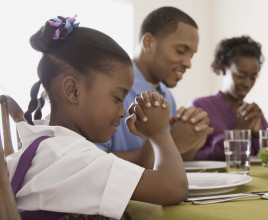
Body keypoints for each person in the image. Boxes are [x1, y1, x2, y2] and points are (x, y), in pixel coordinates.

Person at [6, 15, 187, 219]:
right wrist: (160, 133)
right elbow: (172, 188)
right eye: (117, 98)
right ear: (73, 90)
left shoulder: (49, 147)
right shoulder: (74, 159)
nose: (122, 111)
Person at [96, 6, 213, 163]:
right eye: (180, 51)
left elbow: (172, 161)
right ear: (148, 43)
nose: (188, 63)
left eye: (191, 55)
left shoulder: (166, 95)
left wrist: (193, 141)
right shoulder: (110, 89)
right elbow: (92, 163)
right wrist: (172, 143)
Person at [190, 36, 268, 161]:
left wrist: (258, 134)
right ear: (223, 69)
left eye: (253, 77)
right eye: (241, 75)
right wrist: (241, 129)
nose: (247, 84)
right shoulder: (200, 107)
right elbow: (195, 158)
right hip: (216, 180)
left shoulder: (253, 112)